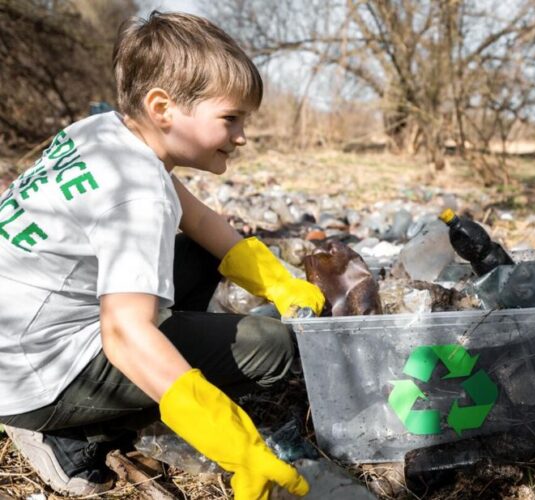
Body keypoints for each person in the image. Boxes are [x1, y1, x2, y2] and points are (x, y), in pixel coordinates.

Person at [0, 11, 325, 498]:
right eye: (230, 118)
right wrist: (232, 442)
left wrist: (277, 283)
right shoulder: (138, 196)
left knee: (197, 252)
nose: (242, 136)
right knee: (275, 349)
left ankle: (122, 395)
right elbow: (124, 333)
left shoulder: (104, 132)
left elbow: (196, 220)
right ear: (162, 108)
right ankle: (68, 434)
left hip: (19, 334)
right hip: (35, 374)